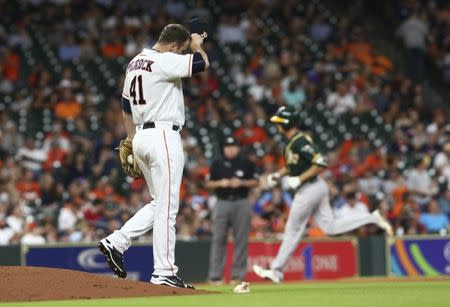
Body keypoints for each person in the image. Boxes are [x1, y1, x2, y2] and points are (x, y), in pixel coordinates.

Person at [98, 24, 209, 289]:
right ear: (172, 46)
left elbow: (126, 107)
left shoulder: (135, 62)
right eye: (179, 49)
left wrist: (130, 140)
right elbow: (201, 64)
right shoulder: (164, 59)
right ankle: (164, 271)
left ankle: (116, 241)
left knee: (160, 203)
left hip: (140, 137)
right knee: (168, 208)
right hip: (162, 135)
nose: (180, 53)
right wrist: (196, 46)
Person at [253, 106, 393, 284]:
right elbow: (292, 166)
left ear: (286, 123)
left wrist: (299, 179)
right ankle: (371, 218)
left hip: (309, 189)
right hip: (316, 187)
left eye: (280, 122)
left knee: (293, 231)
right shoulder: (294, 142)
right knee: (330, 227)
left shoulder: (299, 141)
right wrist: (277, 175)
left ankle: (276, 270)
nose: (277, 125)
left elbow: (321, 162)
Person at [206, 136, 258, 284]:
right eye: (227, 146)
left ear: (238, 148)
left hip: (241, 202)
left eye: (233, 146)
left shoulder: (246, 163)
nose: (230, 149)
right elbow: (208, 184)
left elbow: (256, 182)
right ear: (223, 148)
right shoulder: (217, 164)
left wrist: (241, 182)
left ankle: (238, 276)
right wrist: (221, 183)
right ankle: (215, 276)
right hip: (222, 202)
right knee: (218, 239)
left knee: (241, 239)